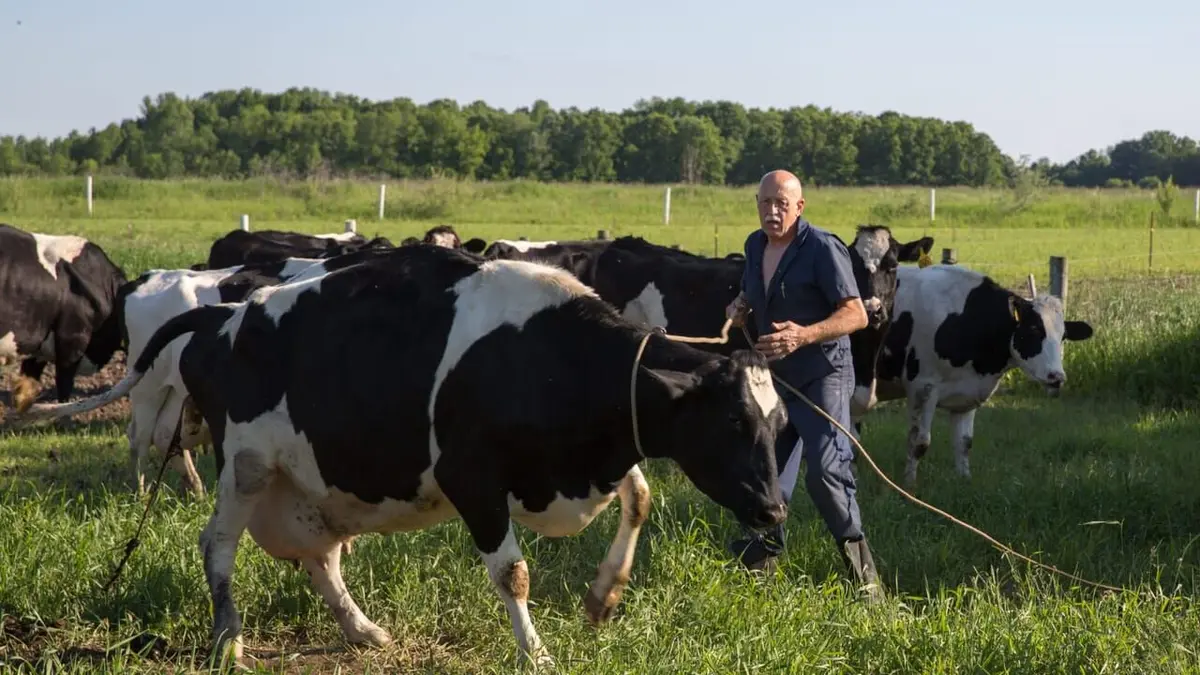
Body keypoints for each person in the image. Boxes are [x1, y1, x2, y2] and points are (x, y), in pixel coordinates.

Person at [725, 169, 884, 600]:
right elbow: (753, 292)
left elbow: (856, 315)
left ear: (800, 206)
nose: (772, 211)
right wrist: (741, 306)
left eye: (782, 203)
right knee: (764, 472)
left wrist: (803, 335)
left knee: (827, 474)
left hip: (822, 375)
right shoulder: (754, 245)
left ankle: (865, 581)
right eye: (765, 202)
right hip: (775, 378)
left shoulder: (822, 248)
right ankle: (759, 572)